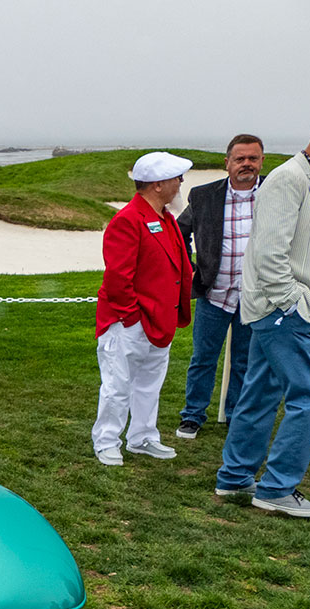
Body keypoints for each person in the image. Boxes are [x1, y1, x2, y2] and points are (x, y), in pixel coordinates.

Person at [216, 112, 310, 517]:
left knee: (260, 393)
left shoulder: (309, 179)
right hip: (283, 312)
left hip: (279, 311)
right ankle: (276, 488)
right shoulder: (290, 179)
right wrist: (291, 302)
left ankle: (236, 477)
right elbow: (269, 252)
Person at [91, 152, 193, 466]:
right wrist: (132, 317)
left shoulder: (165, 219)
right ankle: (107, 440)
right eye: (177, 179)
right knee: (117, 384)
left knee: (149, 384)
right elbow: (119, 277)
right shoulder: (128, 220)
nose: (180, 185)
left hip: (159, 319)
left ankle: (143, 436)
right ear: (158, 184)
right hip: (130, 322)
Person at [175, 135, 266, 439]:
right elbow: (179, 232)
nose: (246, 164)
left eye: (253, 158)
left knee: (244, 359)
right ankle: (192, 415)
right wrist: (189, 270)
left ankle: (235, 414)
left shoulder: (274, 192)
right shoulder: (204, 196)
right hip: (214, 293)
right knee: (203, 358)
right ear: (227, 163)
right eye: (240, 159)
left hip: (256, 296)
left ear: (261, 161)